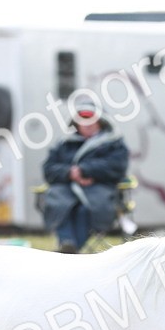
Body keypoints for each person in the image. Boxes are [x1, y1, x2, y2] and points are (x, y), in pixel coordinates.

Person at [40, 101, 129, 253]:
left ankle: (70, 251)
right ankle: (67, 245)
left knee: (85, 209)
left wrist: (85, 171)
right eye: (82, 120)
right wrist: (70, 173)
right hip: (66, 190)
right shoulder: (64, 144)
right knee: (60, 204)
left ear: (100, 121)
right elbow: (49, 169)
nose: (86, 124)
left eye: (90, 119)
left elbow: (116, 167)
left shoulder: (113, 143)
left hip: (100, 190)